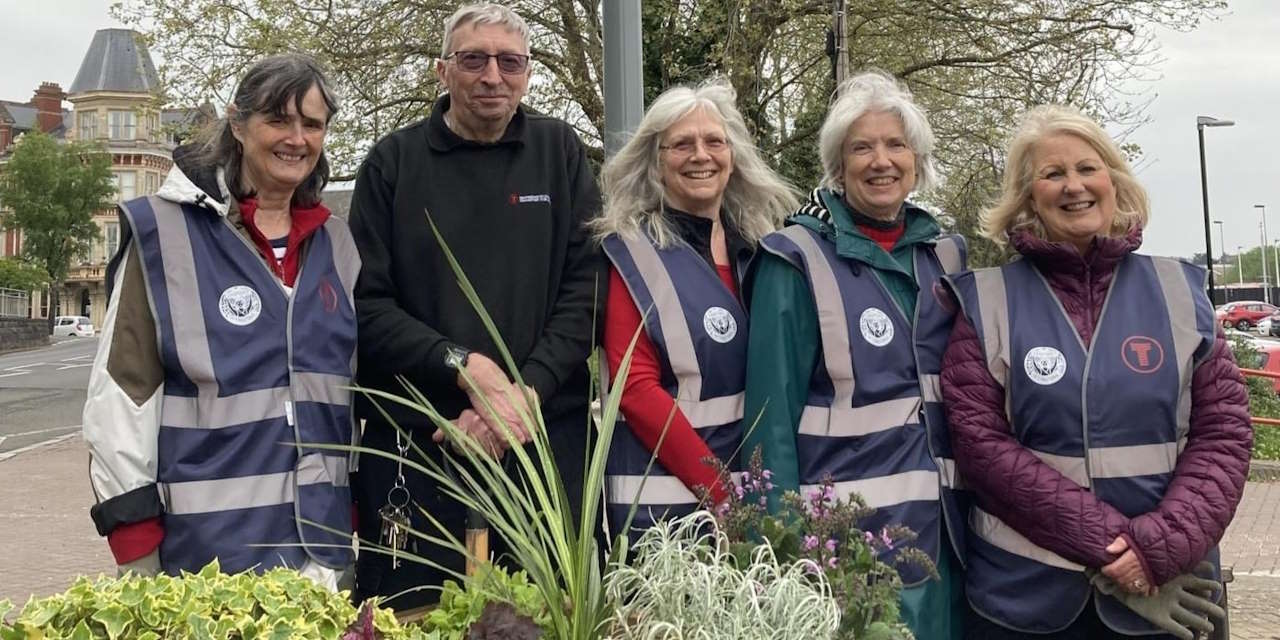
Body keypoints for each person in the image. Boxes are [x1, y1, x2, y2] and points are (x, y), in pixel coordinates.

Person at [940, 104, 1252, 639]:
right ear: (1026, 195)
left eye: (1088, 168)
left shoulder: (1181, 290)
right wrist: (1113, 548)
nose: (1074, 186)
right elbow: (981, 448)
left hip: (1170, 591)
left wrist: (1155, 549)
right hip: (1024, 601)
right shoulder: (986, 299)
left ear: (1114, 179)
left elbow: (1224, 434)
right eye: (1053, 173)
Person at [348, 2, 602, 610]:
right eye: (474, 59)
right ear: (442, 71)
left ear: (528, 72)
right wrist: (464, 364)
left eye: (509, 61)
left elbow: (588, 290)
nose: (493, 75)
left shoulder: (559, 152)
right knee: (413, 616)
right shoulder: (392, 164)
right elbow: (366, 305)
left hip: (541, 446)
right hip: (424, 448)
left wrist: (518, 399)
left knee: (547, 616)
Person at [83, 53, 358, 589]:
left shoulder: (339, 245)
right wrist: (136, 550)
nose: (296, 139)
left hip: (324, 560)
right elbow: (121, 399)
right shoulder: (163, 234)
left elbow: (345, 402)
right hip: (204, 565)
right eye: (278, 119)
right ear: (237, 123)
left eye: (312, 124)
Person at [742, 71, 967, 640]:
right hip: (854, 553)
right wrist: (784, 548)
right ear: (837, 167)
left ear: (917, 159)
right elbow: (769, 421)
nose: (881, 160)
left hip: (955, 542)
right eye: (861, 147)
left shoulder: (946, 256)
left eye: (896, 145)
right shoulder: (793, 260)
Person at [593, 80, 798, 543]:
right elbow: (637, 391)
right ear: (656, 162)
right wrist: (722, 494)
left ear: (734, 156)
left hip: (754, 502)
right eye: (681, 144)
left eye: (714, 141)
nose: (700, 155)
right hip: (667, 512)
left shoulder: (762, 250)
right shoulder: (631, 253)